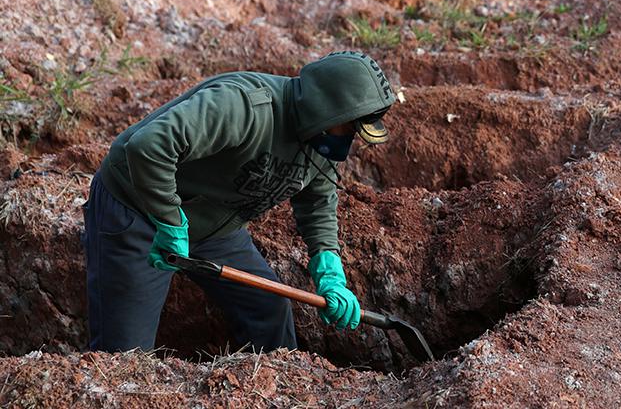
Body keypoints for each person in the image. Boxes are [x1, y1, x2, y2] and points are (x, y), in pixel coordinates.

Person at [81, 50, 396, 352]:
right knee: (125, 356)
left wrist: (330, 270)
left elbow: (317, 202)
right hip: (139, 208)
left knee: (269, 311)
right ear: (325, 107)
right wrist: (170, 221)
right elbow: (148, 148)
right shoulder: (244, 106)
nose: (350, 139)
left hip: (216, 223)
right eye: (350, 127)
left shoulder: (321, 138)